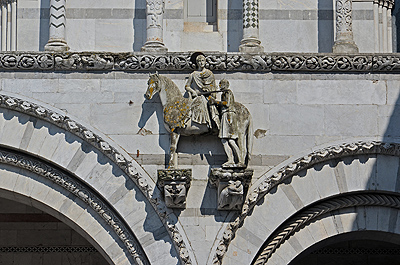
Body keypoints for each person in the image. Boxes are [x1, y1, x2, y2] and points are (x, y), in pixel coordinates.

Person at [185, 54, 220, 130]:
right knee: (197, 103)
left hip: (208, 96)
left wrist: (208, 90)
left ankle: (214, 124)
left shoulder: (210, 74)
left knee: (211, 107)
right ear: (197, 63)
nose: (201, 63)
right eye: (199, 61)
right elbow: (187, 86)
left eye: (202, 60)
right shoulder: (193, 74)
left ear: (205, 61)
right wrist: (193, 91)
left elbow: (213, 86)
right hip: (198, 96)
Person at [214, 79, 242, 167]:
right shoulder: (224, 93)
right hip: (225, 115)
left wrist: (216, 102)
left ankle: (240, 160)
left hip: (228, 115)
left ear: (225, 85)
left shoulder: (227, 92)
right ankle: (231, 159)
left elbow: (227, 103)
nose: (219, 86)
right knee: (224, 140)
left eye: (221, 84)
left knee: (231, 140)